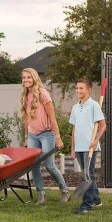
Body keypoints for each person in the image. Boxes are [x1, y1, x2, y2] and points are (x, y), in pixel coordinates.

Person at [20, 68, 70, 204]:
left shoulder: (43, 93)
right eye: (24, 77)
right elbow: (26, 119)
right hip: (32, 135)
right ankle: (41, 195)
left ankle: (65, 190)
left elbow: (52, 117)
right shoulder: (25, 95)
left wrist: (58, 137)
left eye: (29, 77)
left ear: (34, 78)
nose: (26, 80)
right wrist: (26, 137)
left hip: (47, 134)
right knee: (34, 165)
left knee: (49, 165)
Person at [69, 78, 106, 215]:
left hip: (90, 147)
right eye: (77, 88)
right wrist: (72, 147)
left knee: (87, 176)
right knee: (88, 175)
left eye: (81, 88)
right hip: (79, 147)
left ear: (88, 90)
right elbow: (74, 129)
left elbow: (103, 125)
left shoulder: (94, 105)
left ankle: (86, 206)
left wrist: (96, 140)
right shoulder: (75, 107)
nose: (78, 90)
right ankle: (96, 199)